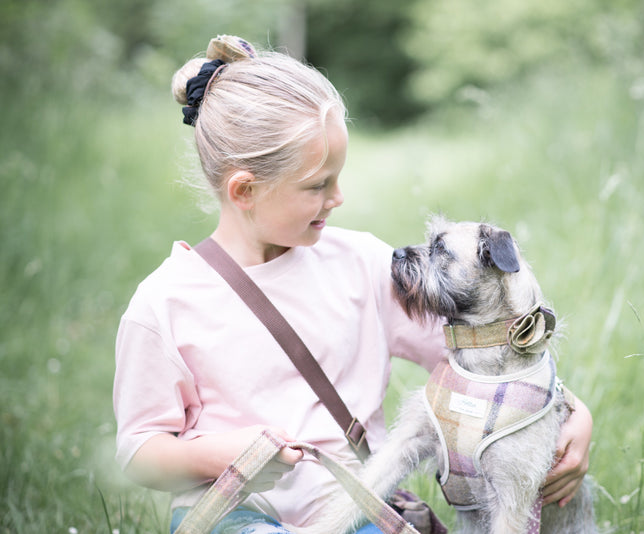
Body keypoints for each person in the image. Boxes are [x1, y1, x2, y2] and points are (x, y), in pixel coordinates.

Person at [112, 35, 593, 534]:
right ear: (245, 190)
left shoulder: (362, 263)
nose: (338, 197)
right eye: (318, 184)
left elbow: (485, 357)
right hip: (234, 514)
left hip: (355, 510)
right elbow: (141, 450)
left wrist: (574, 413)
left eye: (338, 178)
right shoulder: (165, 302)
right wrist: (227, 454)